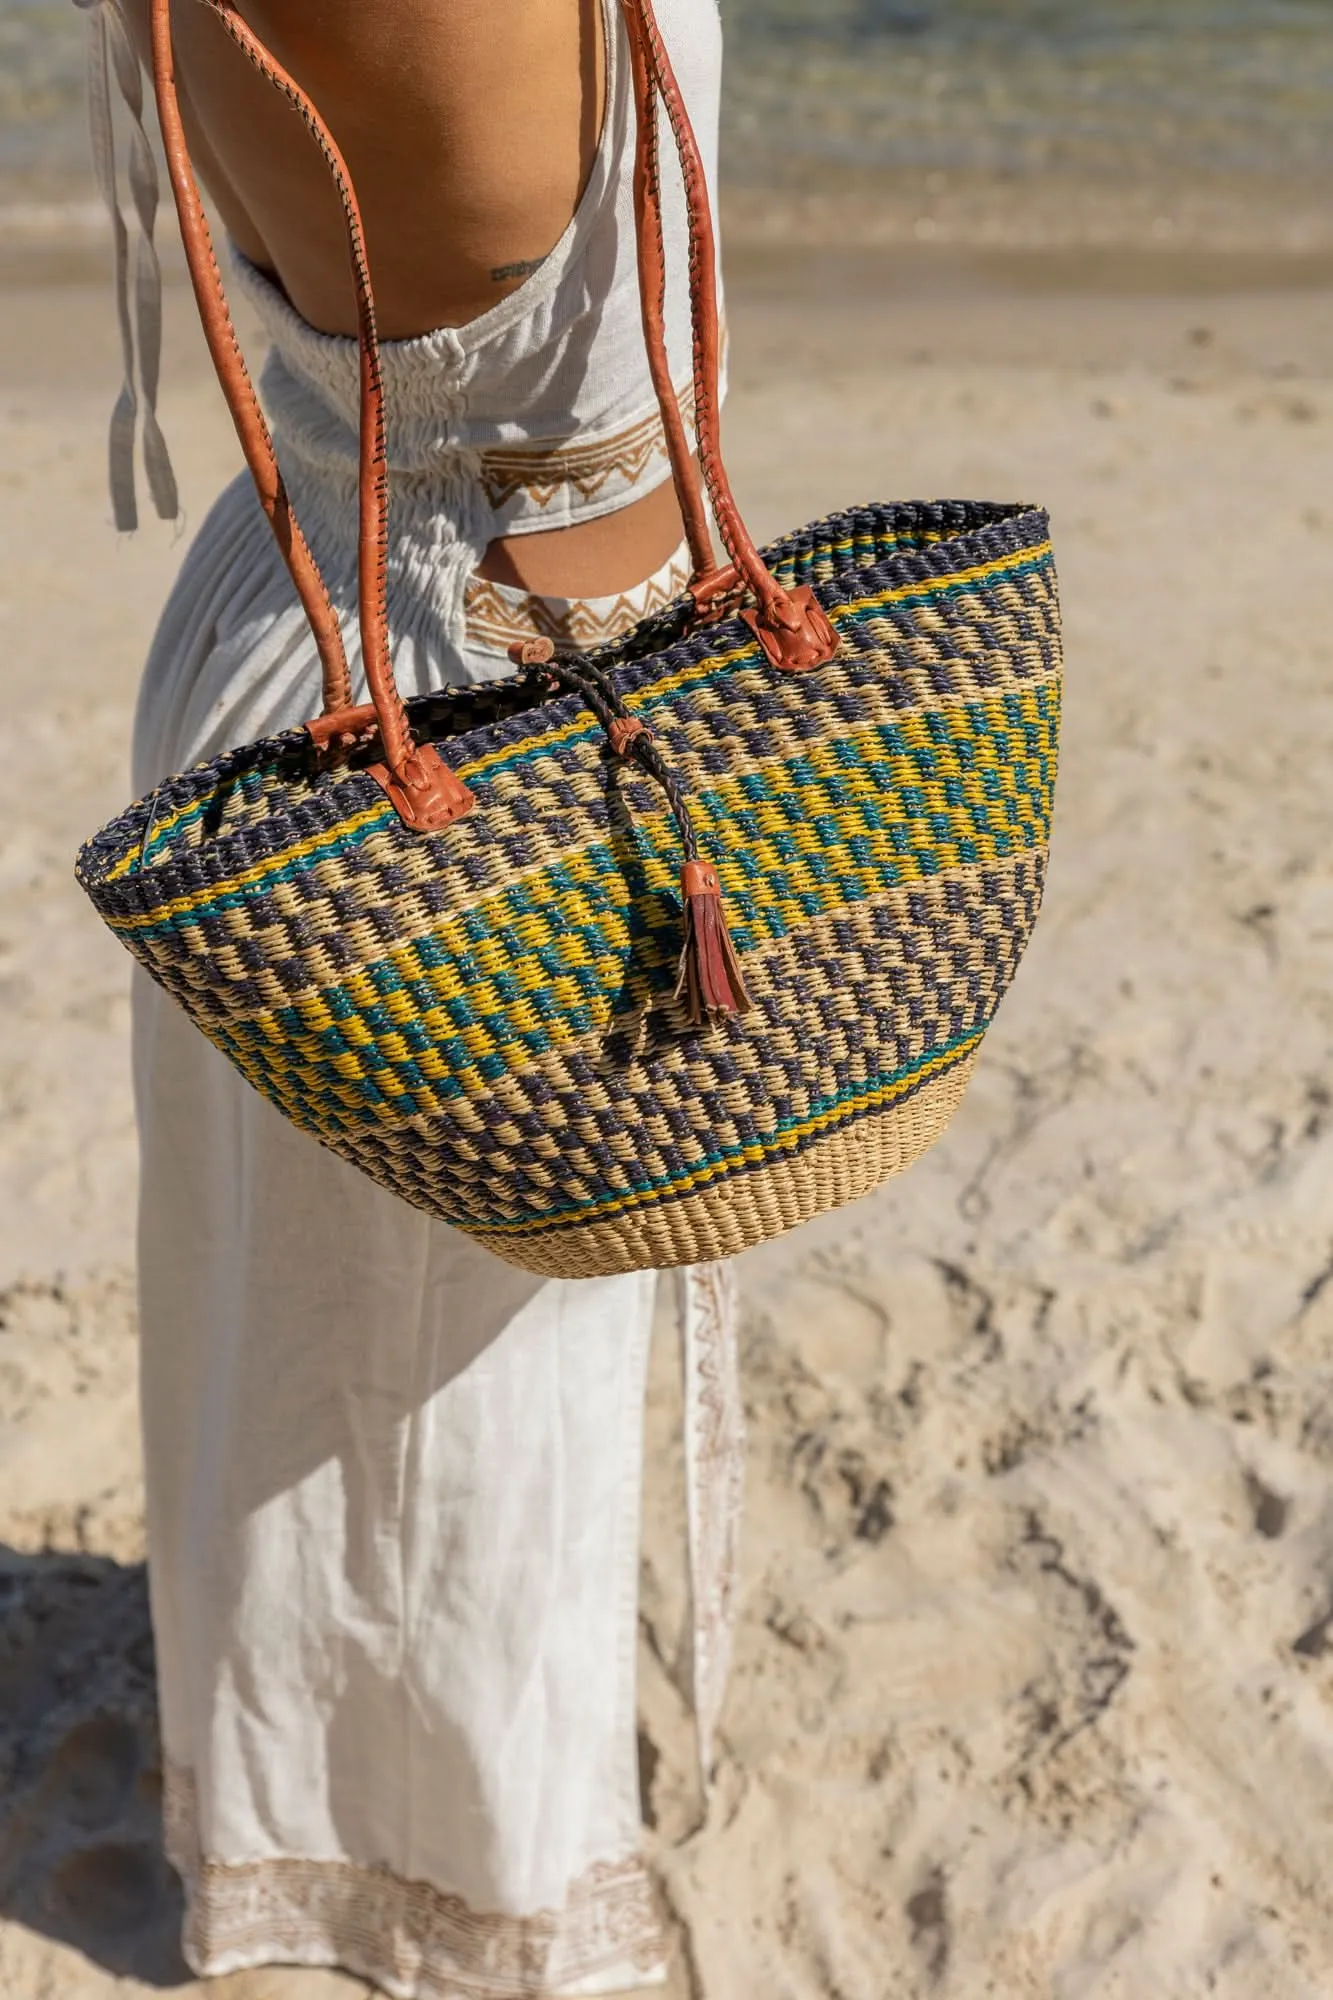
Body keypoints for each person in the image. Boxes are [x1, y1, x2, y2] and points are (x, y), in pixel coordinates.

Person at [79, 1, 736, 1992]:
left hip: (309, 642)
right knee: (443, 1406)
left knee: (310, 1355)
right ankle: (444, 1904)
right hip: (469, 727)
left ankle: (326, 1820)